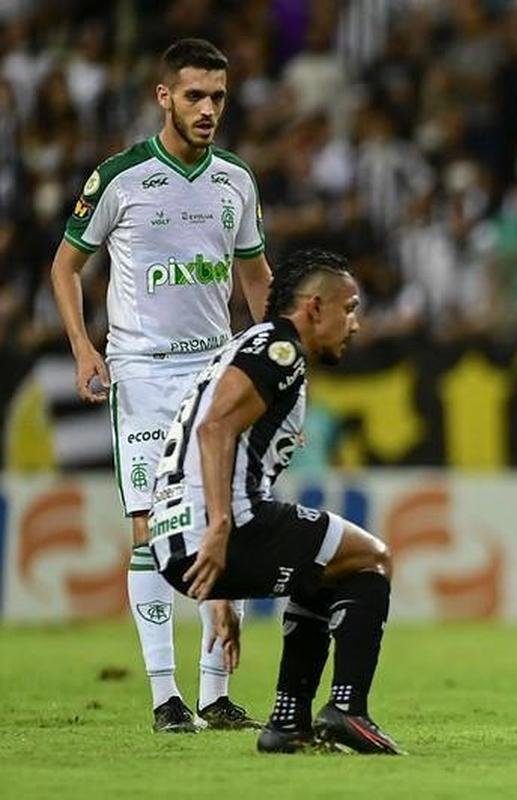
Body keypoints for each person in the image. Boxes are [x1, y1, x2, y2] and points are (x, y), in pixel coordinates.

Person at [49, 38, 271, 733]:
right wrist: (85, 348)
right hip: (142, 373)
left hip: (214, 371)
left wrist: (274, 358)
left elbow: (256, 278)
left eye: (219, 97)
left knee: (219, 525)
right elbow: (64, 269)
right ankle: (164, 696)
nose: (209, 109)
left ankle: (214, 694)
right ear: (164, 97)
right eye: (196, 96)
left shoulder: (235, 179)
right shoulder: (119, 178)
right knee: (151, 529)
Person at [148, 249, 402, 755]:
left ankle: (288, 723)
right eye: (348, 308)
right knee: (371, 559)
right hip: (218, 528)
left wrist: (217, 591)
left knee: (325, 564)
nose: (354, 324)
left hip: (176, 538)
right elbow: (214, 428)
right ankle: (347, 710)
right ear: (313, 308)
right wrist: (219, 528)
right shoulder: (278, 352)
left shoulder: (249, 345)